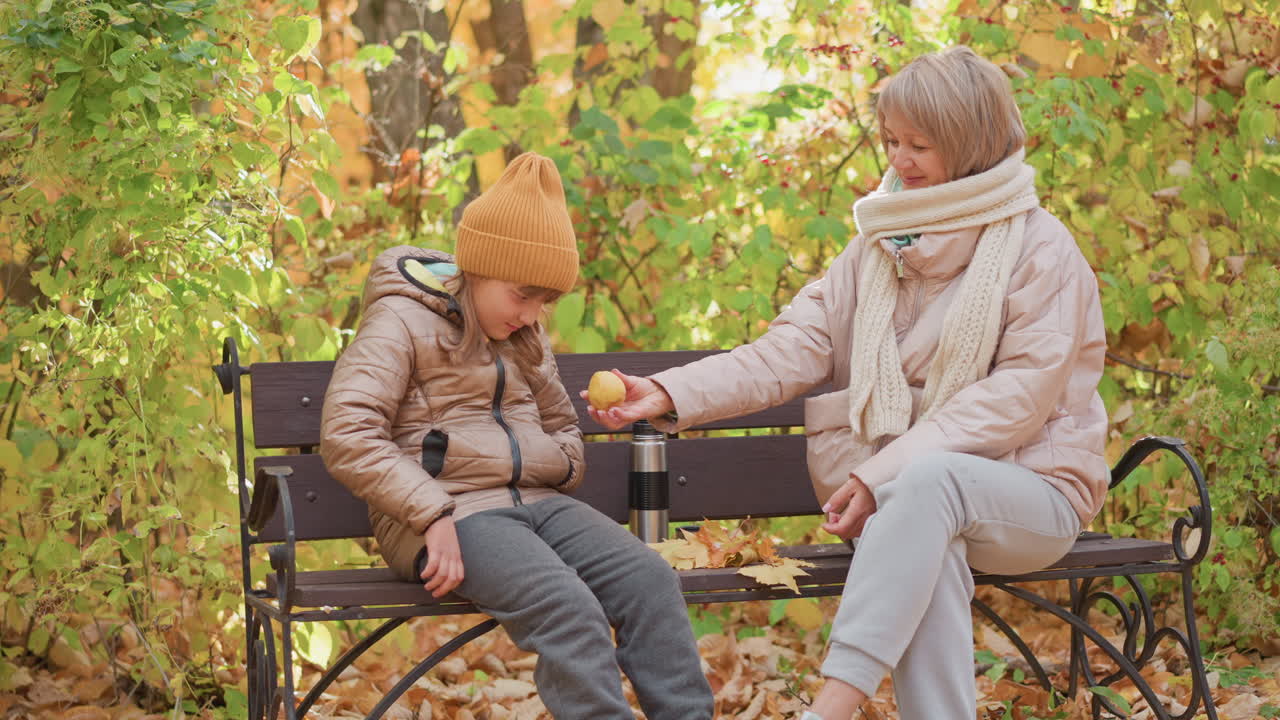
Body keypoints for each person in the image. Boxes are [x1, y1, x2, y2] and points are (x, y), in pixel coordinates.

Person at [585, 46, 1108, 720]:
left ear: (972, 145)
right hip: (907, 507)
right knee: (926, 539)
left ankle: (829, 707)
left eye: (921, 144)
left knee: (924, 485)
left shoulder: (1042, 248)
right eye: (892, 141)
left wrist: (879, 474)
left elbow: (1017, 398)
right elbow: (788, 351)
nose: (900, 160)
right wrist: (671, 393)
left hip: (1033, 492)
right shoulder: (875, 249)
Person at [320, 152, 714, 719]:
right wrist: (431, 514)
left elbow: (558, 422)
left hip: (536, 505)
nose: (532, 315)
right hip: (447, 515)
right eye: (522, 295)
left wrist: (559, 461)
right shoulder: (401, 320)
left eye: (545, 302)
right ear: (478, 266)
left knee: (649, 580)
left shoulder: (523, 334)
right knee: (567, 608)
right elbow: (348, 431)